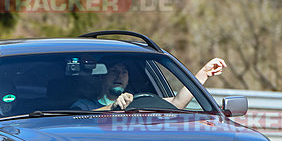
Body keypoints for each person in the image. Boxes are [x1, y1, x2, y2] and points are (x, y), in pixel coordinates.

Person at [71, 57, 227, 111]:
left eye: (124, 72)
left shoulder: (139, 102)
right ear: (101, 77)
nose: (119, 75)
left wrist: (203, 73)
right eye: (114, 71)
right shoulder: (83, 106)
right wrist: (113, 107)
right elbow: (73, 122)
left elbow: (177, 103)